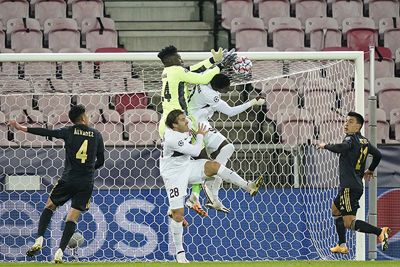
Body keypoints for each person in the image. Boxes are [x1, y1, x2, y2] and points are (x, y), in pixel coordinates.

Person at [160, 109, 263, 263]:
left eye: (185, 118)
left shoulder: (185, 125)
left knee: (214, 166)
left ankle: (248, 185)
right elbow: (195, 151)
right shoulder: (172, 138)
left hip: (187, 165)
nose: (186, 121)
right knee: (178, 214)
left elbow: (197, 117)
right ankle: (180, 253)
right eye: (182, 120)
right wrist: (200, 134)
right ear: (174, 125)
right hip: (173, 174)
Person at [8, 104, 105, 263]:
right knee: (72, 218)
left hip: (68, 179)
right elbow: (101, 161)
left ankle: (39, 239)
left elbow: (46, 132)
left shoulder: (68, 131)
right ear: (82, 117)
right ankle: (59, 252)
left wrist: (20, 127)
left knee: (49, 206)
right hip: (86, 182)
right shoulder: (96, 134)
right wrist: (88, 168)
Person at [157, 45, 237, 216]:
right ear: (173, 60)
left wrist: (212, 61)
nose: (182, 60)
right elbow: (201, 78)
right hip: (177, 124)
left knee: (180, 164)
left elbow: (193, 69)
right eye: (179, 58)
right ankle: (205, 196)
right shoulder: (177, 71)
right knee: (202, 162)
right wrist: (219, 67)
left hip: (167, 124)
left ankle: (185, 201)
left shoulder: (169, 72)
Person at [186, 73, 265, 213]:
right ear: (218, 87)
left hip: (200, 121)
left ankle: (212, 196)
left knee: (227, 148)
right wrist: (253, 102)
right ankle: (216, 193)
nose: (228, 90)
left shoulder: (204, 81)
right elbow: (230, 112)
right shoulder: (210, 95)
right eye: (226, 88)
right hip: (195, 125)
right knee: (210, 165)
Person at [317, 111, 390, 254]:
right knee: (335, 209)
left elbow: (342, 148)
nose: (346, 123)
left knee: (349, 222)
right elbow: (378, 155)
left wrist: (325, 146)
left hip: (349, 187)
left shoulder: (350, 139)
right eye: (346, 121)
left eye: (350, 121)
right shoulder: (365, 141)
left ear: (358, 126)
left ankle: (380, 232)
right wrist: (370, 169)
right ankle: (342, 244)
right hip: (354, 185)